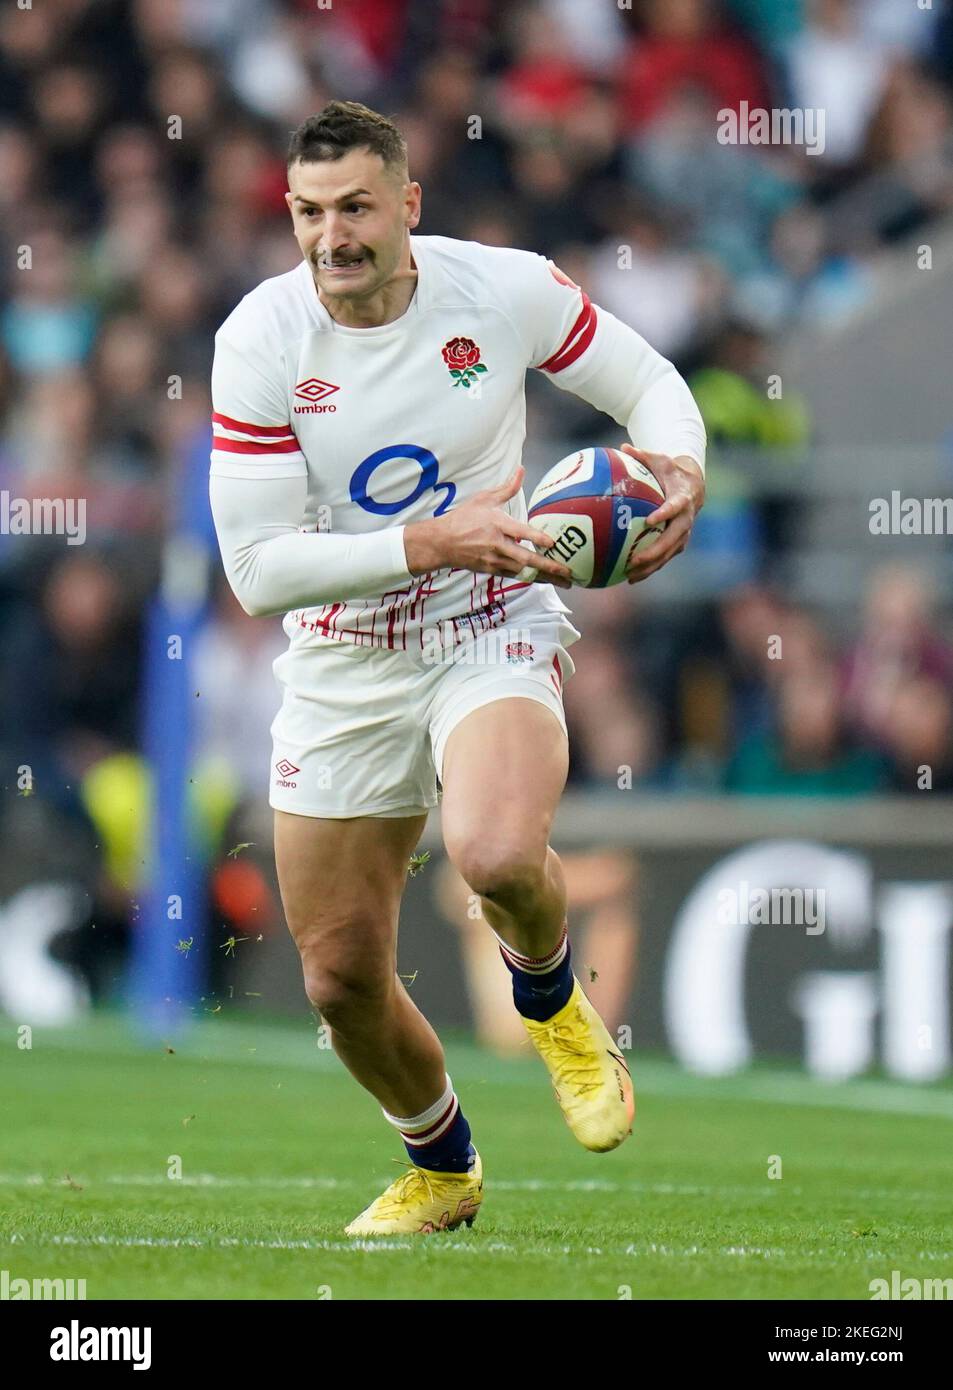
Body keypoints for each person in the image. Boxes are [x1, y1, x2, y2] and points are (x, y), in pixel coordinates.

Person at [208, 100, 706, 1235]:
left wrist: (681, 468)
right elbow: (256, 570)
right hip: (341, 653)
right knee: (337, 982)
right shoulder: (261, 340)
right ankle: (441, 1163)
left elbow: (647, 383)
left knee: (490, 850)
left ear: (407, 206)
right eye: (307, 212)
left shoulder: (502, 288)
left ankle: (552, 1000)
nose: (331, 237)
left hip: (488, 615)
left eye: (355, 210)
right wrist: (423, 538)